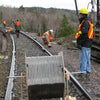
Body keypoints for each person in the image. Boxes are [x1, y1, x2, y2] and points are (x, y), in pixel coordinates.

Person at [75, 8, 94, 75]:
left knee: (83, 59)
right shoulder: (88, 21)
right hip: (88, 43)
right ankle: (88, 70)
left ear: (83, 15)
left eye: (80, 14)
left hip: (85, 44)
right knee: (87, 58)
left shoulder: (85, 23)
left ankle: (82, 72)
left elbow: (84, 34)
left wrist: (80, 43)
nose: (80, 16)